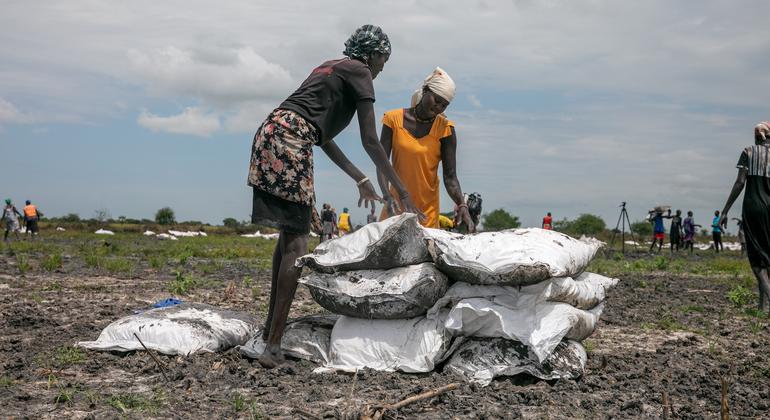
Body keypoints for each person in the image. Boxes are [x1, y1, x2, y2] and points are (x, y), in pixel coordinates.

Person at [247, 25, 420, 368]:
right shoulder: (360, 72)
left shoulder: (330, 67)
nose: (383, 68)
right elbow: (371, 140)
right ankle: (273, 348)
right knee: (298, 246)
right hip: (291, 140)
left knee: (287, 239)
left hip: (271, 133)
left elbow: (323, 136)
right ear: (371, 54)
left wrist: (361, 178)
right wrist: (402, 190)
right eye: (383, 60)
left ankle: (269, 336)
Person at [376, 67, 473, 231]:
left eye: (444, 105)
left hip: (426, 214)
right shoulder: (393, 119)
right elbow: (382, 165)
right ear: (426, 90)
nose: (439, 108)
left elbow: (450, 177)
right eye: (436, 100)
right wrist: (387, 197)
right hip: (395, 209)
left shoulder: (445, 130)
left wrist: (461, 205)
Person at [719, 121, 770, 311]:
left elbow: (740, 182)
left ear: (757, 136)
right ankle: (762, 308)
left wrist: (725, 211)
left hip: (754, 208)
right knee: (768, 257)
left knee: (757, 263)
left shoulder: (749, 152)